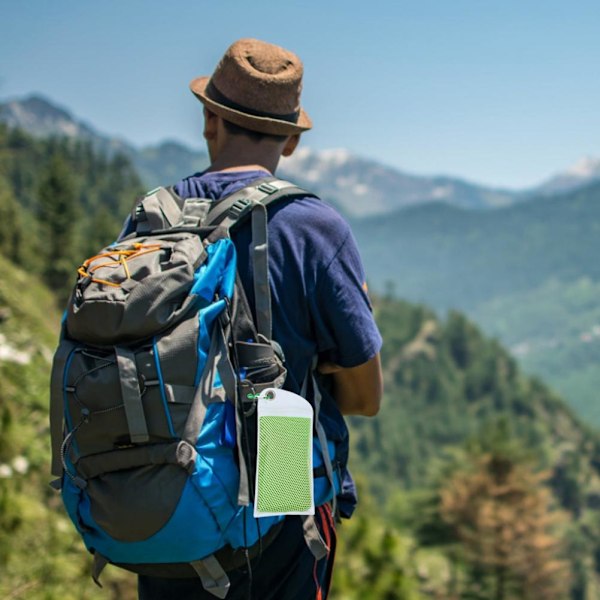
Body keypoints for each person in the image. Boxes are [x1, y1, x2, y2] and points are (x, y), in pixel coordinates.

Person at [137, 38, 383, 600]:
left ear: (208, 120)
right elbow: (366, 399)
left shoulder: (151, 221)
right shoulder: (313, 227)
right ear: (293, 139)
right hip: (279, 496)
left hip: (167, 504)